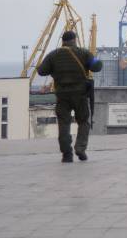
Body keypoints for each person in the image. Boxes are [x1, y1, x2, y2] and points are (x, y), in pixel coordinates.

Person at [37, 30, 102, 163]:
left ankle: (67, 154)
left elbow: (41, 71)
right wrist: (94, 59)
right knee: (84, 121)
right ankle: (80, 148)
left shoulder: (53, 55)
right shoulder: (83, 53)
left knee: (64, 123)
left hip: (62, 96)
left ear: (63, 41)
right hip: (80, 95)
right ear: (75, 40)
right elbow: (97, 66)